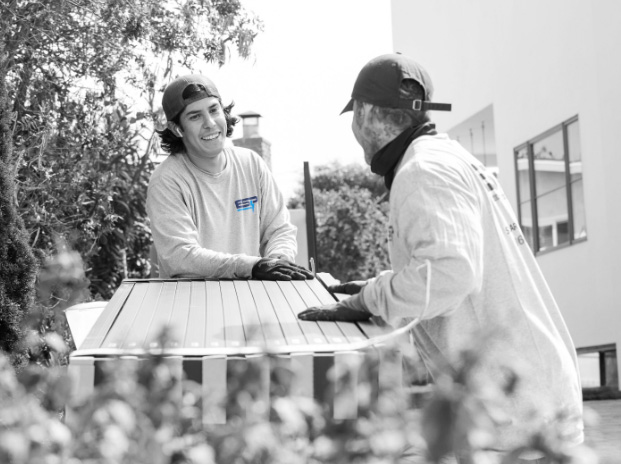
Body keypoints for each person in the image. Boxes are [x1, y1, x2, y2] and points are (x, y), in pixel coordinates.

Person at [298, 54, 583, 462]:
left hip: (515, 413)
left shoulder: (423, 171)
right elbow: (453, 264)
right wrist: (378, 285)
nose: (354, 129)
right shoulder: (446, 159)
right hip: (525, 398)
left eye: (354, 115)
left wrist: (371, 298)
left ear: (367, 113)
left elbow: (450, 276)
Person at [147, 74, 312, 281]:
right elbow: (181, 257)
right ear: (177, 129)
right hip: (190, 305)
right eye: (195, 116)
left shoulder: (251, 163)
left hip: (248, 297)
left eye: (214, 110)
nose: (210, 123)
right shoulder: (167, 181)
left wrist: (278, 261)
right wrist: (252, 266)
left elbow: (279, 229)